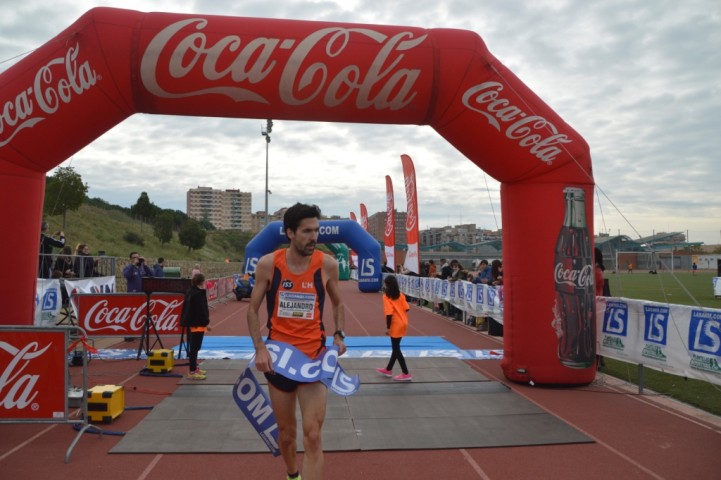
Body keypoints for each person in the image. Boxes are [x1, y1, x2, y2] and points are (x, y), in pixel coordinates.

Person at [247, 203, 346, 480]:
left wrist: (339, 333)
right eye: (306, 231)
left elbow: (339, 304)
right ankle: (292, 474)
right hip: (280, 361)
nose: (313, 236)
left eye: (316, 230)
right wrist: (260, 348)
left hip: (314, 360)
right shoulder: (269, 264)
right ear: (290, 232)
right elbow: (252, 310)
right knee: (287, 435)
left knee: (313, 435)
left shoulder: (327, 264)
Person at [376, 275, 412, 381]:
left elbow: (389, 313)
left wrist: (388, 327)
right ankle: (388, 369)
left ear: (387, 285)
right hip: (404, 322)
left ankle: (406, 373)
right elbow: (407, 308)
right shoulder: (400, 295)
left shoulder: (386, 296)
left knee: (396, 349)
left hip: (395, 324)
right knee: (395, 348)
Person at [180, 273, 211, 380]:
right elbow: (201, 310)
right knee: (194, 348)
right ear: (202, 281)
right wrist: (207, 323)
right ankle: (192, 371)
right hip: (197, 324)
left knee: (195, 348)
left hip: (193, 323)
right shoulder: (197, 294)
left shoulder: (191, 291)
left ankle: (194, 368)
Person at [594, 247, 607, 369]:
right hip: (597, 304)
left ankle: (598, 360)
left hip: (596, 306)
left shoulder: (596, 271)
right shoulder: (596, 270)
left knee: (596, 334)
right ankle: (600, 359)